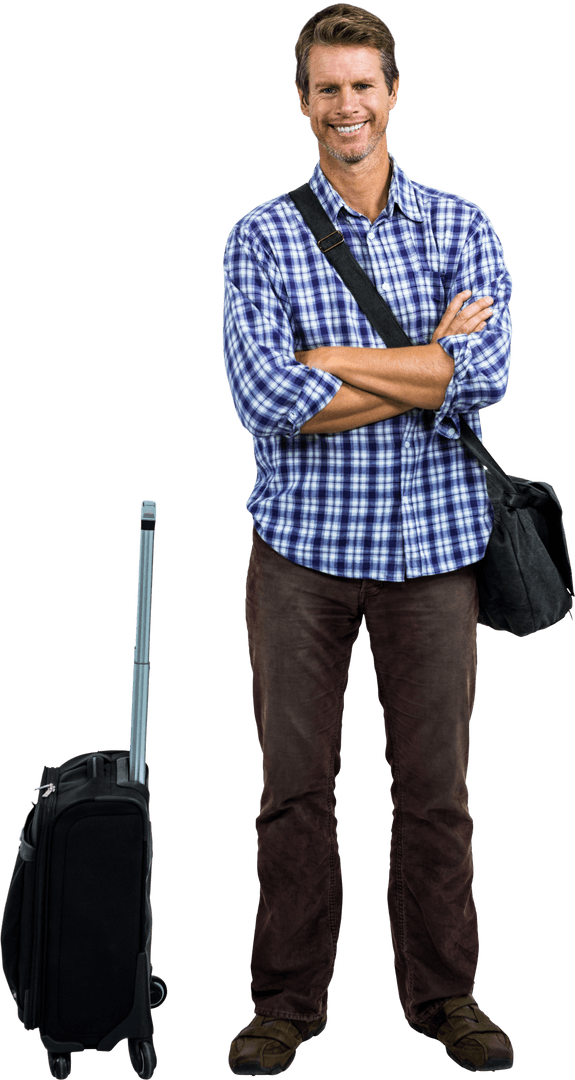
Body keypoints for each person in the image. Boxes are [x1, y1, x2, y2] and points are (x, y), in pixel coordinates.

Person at [222, 4, 514, 1074]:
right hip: (299, 554)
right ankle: (284, 1004)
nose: (346, 105)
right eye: (326, 88)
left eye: (362, 85)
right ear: (301, 102)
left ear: (392, 92)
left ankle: (446, 998)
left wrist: (331, 361)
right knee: (293, 792)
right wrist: (422, 364)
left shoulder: (462, 227)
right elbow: (266, 400)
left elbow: (483, 376)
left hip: (434, 555)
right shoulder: (260, 236)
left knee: (436, 793)